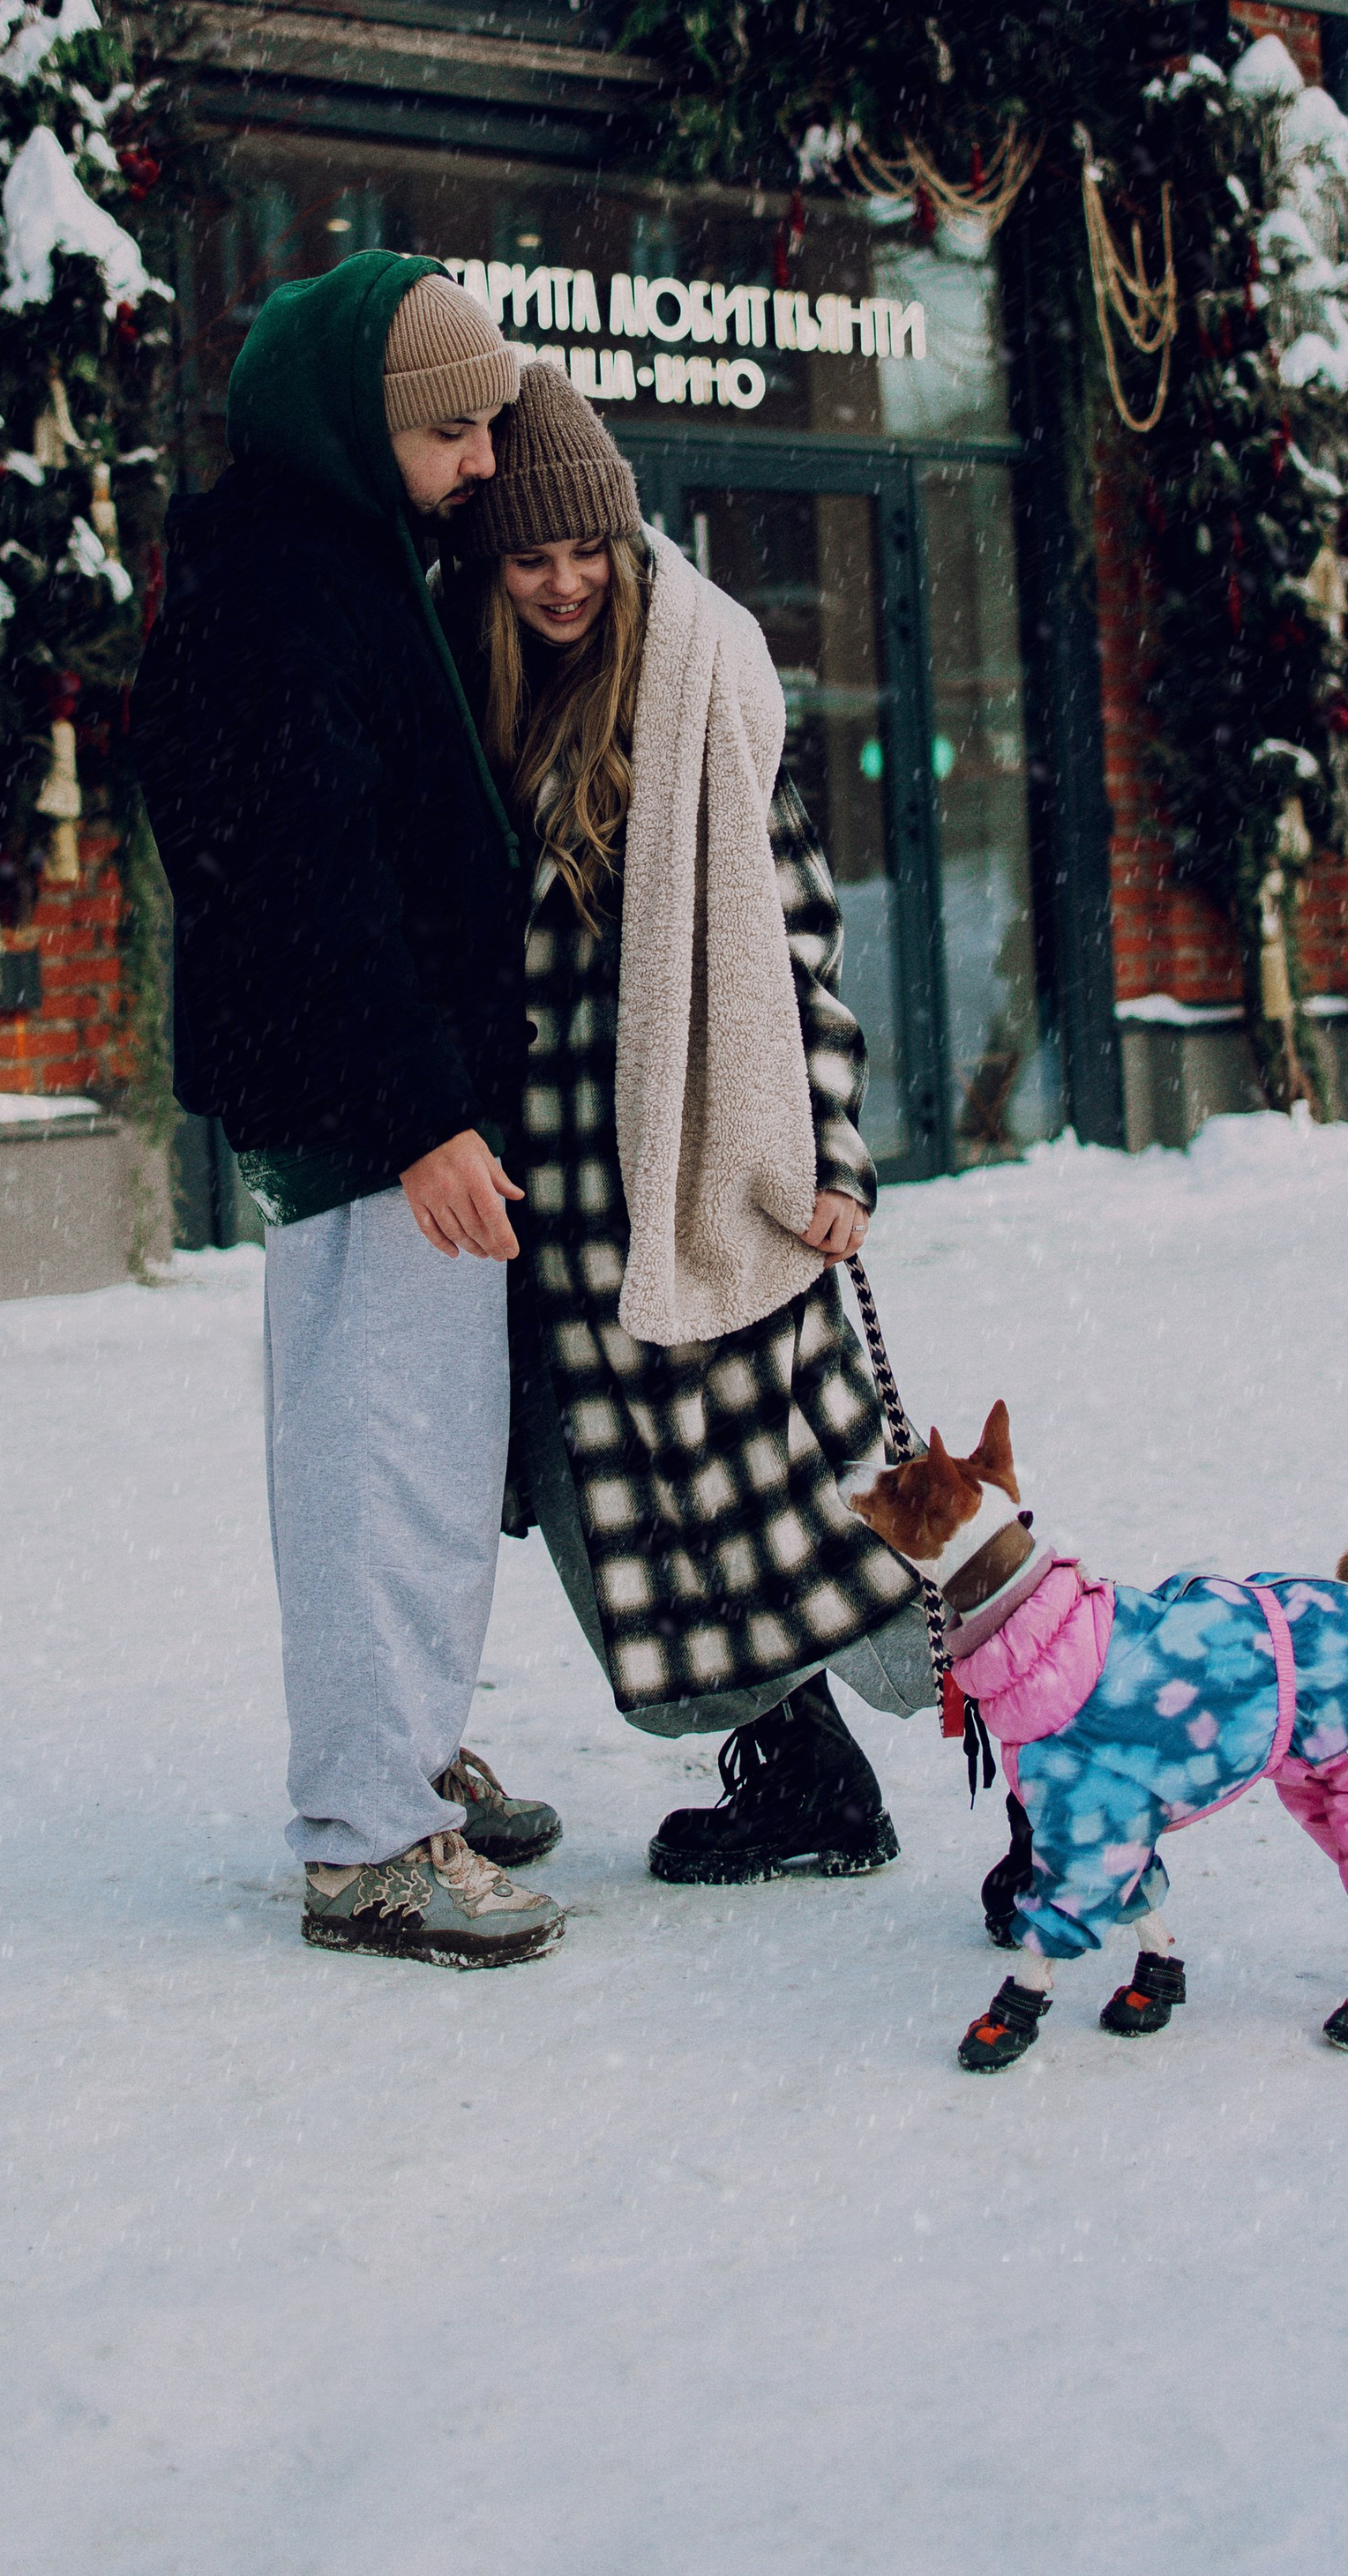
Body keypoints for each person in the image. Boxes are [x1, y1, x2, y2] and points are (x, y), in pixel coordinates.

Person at [132, 251, 567, 1969]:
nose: (482, 464)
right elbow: (307, 877)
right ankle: (363, 1838)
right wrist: (411, 1110)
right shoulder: (274, 584)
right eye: (454, 431)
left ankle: (405, 1763)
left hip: (413, 1096)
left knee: (435, 1456)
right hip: (368, 1108)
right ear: (360, 422)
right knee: (375, 1464)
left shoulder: (355, 557)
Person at [443, 360, 933, 1882]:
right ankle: (798, 1776)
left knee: (760, 1488)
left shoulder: (695, 696)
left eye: (586, 549)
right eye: (532, 555)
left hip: (694, 1159)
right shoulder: (482, 697)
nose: (567, 581)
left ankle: (857, 1770)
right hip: (554, 1187)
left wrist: (837, 1148)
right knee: (635, 1510)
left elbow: (796, 941)